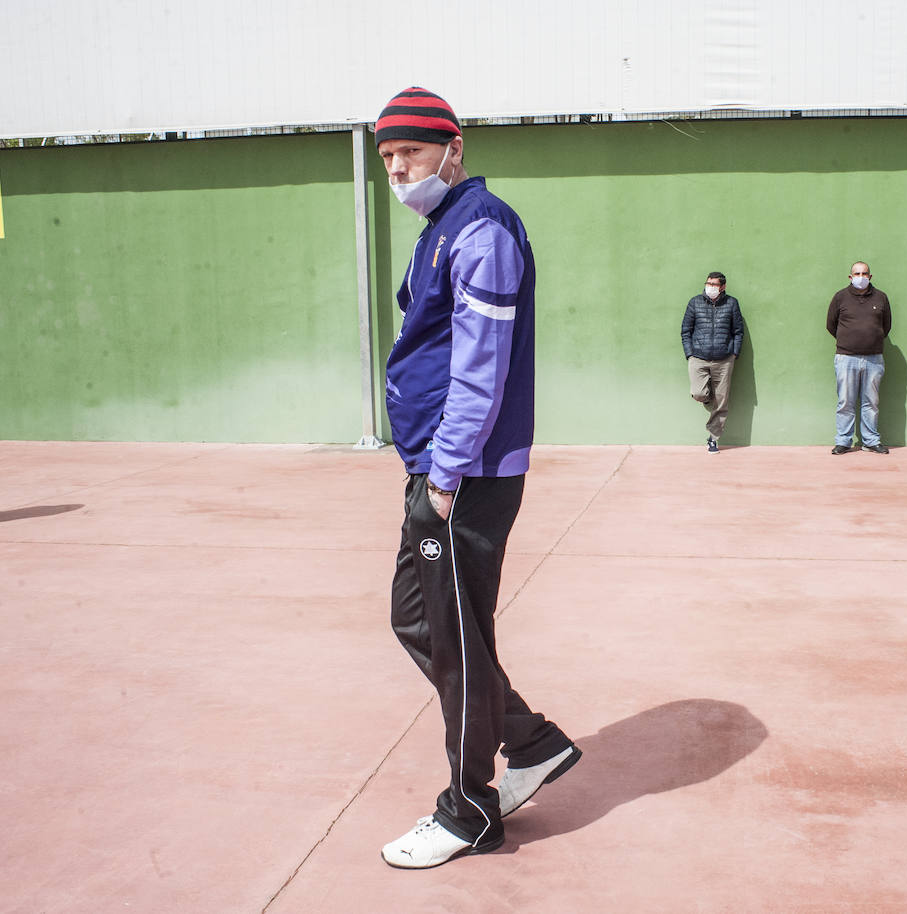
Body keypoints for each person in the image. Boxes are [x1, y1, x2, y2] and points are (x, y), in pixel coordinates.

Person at [373, 87, 580, 870]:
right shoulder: (441, 228)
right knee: (417, 619)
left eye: (413, 155)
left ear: (452, 149)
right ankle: (529, 741)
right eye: (389, 158)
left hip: (466, 472)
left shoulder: (481, 229)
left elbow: (480, 365)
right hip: (438, 465)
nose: (399, 170)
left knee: (456, 639)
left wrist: (448, 469)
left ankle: (471, 810)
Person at [827, 261, 891, 454]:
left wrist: (872, 339)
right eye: (857, 274)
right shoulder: (840, 297)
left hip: (874, 359)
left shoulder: (881, 298)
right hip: (846, 358)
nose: (860, 277)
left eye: (864, 274)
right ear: (850, 277)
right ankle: (843, 441)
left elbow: (886, 326)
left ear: (870, 276)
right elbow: (831, 325)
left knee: (871, 402)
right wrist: (849, 340)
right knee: (845, 401)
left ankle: (870, 440)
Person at [680, 271, 745, 453]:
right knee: (699, 393)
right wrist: (690, 354)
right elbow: (685, 330)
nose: (710, 287)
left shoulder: (732, 303)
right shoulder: (695, 302)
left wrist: (734, 354)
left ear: (722, 287)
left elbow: (738, 331)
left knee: (722, 401)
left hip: (724, 360)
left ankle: (713, 438)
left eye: (714, 284)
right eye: (708, 283)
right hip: (698, 358)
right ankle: (708, 397)